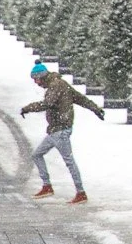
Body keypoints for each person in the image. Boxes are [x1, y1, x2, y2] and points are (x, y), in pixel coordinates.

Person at [21, 62, 100, 203]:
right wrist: (95, 108)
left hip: (60, 130)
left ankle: (81, 193)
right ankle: (47, 186)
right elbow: (80, 98)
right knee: (37, 155)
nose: (35, 82)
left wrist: (28, 108)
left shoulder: (56, 85)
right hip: (55, 131)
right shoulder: (59, 84)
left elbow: (47, 103)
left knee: (69, 161)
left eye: (36, 79)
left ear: (41, 76)